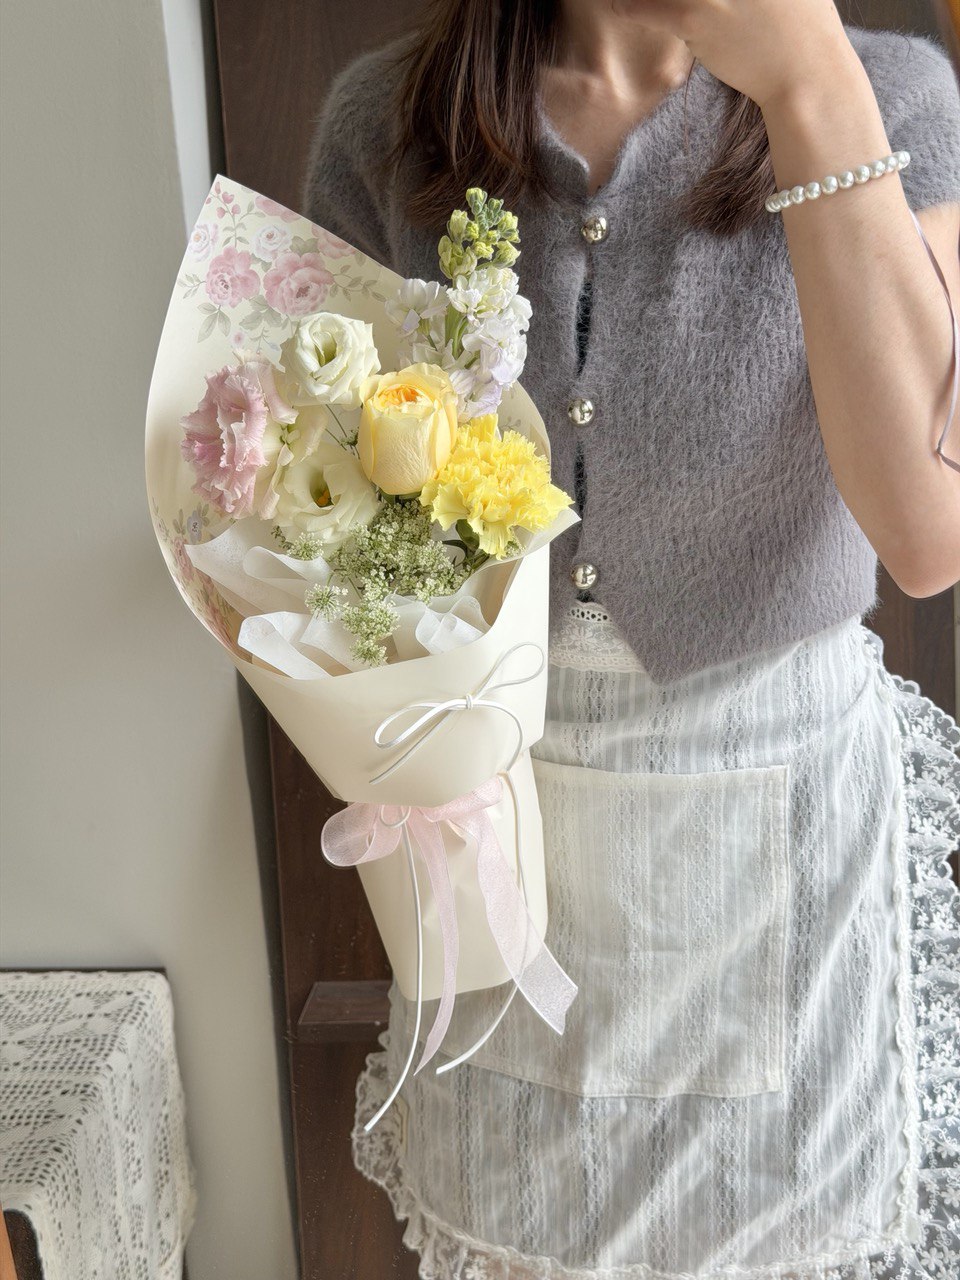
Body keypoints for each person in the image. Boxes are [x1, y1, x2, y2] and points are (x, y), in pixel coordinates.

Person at [301, 2, 960, 1275]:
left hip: (793, 847)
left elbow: (930, 532)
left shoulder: (894, 96)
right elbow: (329, 535)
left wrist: (808, 77)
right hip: (502, 843)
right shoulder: (389, 124)